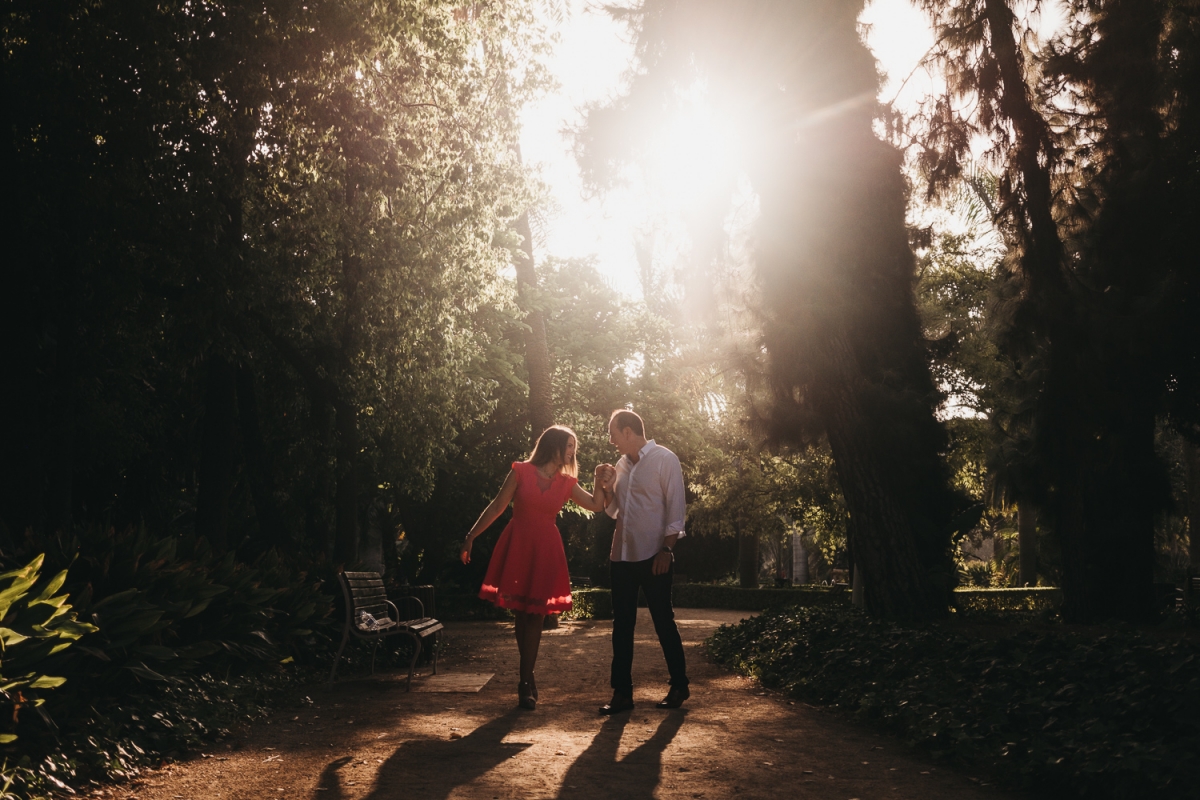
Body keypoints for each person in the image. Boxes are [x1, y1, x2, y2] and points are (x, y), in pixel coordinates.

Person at [461, 425, 612, 710]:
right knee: (521, 614)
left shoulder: (567, 482)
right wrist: (471, 536)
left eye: (574, 447)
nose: (572, 452)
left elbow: (596, 505)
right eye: (569, 446)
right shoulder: (520, 471)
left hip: (546, 551)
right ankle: (527, 676)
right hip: (518, 545)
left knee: (535, 616)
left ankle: (523, 682)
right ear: (553, 445)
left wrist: (597, 480)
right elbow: (497, 507)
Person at [598, 409, 689, 715]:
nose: (610, 440)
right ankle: (622, 693)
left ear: (628, 431)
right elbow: (613, 511)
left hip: (654, 556)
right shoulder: (621, 465)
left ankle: (680, 685)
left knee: (663, 621)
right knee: (622, 626)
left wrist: (666, 550)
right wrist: (607, 488)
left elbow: (676, 511)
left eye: (613, 434)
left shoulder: (665, 459)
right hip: (621, 556)